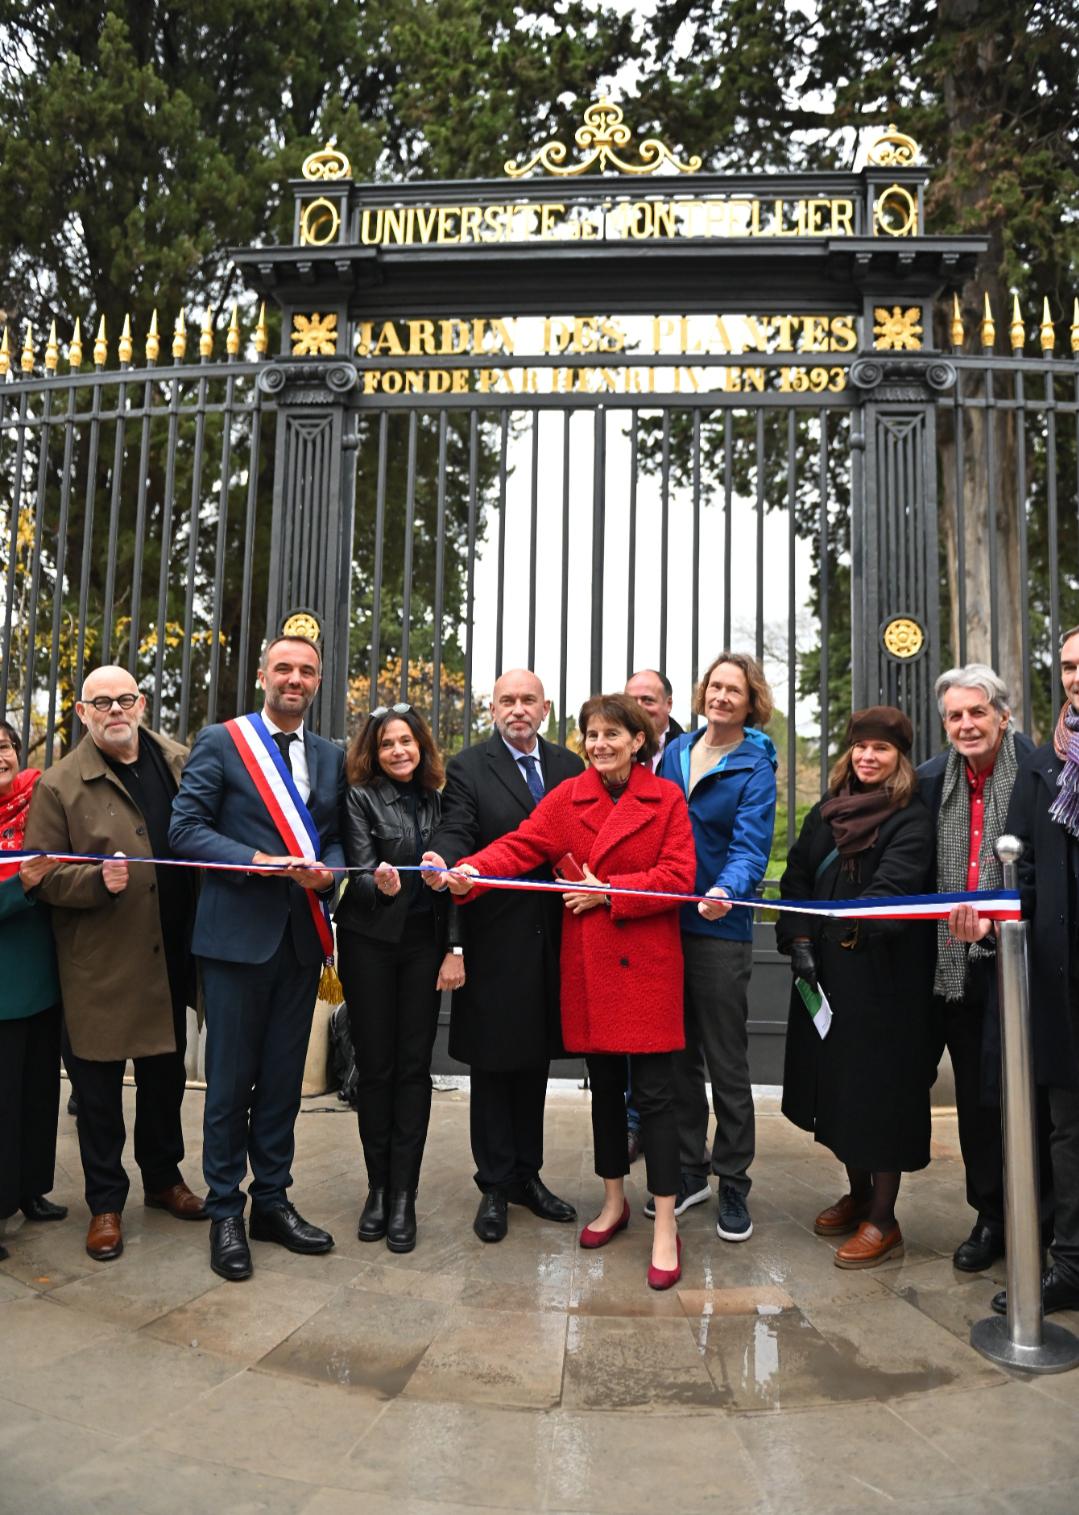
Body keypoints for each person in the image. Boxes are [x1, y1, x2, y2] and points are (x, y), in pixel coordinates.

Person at [438, 693, 697, 1288]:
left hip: (648, 966)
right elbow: (520, 847)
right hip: (590, 969)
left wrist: (608, 892)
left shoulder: (665, 799)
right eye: (591, 735)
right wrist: (472, 873)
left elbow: (680, 877)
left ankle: (663, 1223)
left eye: (613, 734)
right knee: (604, 1089)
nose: (600, 745)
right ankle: (613, 1201)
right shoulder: (566, 798)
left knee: (656, 1099)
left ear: (639, 741)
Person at [168, 634, 345, 1282]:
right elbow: (184, 829)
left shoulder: (330, 755)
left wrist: (328, 876)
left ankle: (272, 1200)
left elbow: (337, 839)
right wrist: (258, 862)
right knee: (229, 1084)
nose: (294, 678)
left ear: (317, 680)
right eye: (283, 668)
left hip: (300, 940)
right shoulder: (222, 741)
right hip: (236, 941)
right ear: (262, 674)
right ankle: (225, 1210)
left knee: (279, 1085)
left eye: (306, 670)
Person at [24, 668, 203, 1262]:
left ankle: (163, 1180)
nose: (115, 710)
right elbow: (37, 873)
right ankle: (105, 1203)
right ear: (82, 712)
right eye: (102, 703)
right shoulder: (59, 784)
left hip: (171, 953)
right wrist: (96, 880)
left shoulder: (179, 760)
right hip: (99, 963)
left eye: (125, 699)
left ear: (141, 702)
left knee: (165, 1079)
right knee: (98, 1091)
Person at [424, 668, 581, 1243]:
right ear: (492, 707)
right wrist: (444, 859)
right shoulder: (468, 767)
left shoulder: (569, 766)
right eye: (507, 700)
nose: (518, 709)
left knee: (535, 1063)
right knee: (494, 1065)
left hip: (557, 940)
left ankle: (527, 1177)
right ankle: (492, 1184)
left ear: (545, 708)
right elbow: (458, 829)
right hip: (494, 938)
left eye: (528, 700)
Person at [776, 706, 934, 1267]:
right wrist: (797, 938)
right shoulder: (827, 810)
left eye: (882, 749)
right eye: (861, 747)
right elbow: (797, 876)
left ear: (899, 759)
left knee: (880, 1097)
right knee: (840, 1090)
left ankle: (884, 1218)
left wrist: (836, 925)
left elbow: (893, 890)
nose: (869, 757)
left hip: (882, 984)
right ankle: (859, 1190)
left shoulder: (910, 818)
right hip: (826, 976)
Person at [957, 625, 1079, 1316]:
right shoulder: (1045, 767)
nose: (1073, 677)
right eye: (1065, 665)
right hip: (1062, 979)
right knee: (1066, 1128)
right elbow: (1023, 868)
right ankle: (1069, 1262)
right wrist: (995, 917)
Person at [917, 665, 1039, 1272]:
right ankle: (990, 1216)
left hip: (1024, 965)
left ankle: (1041, 1222)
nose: (966, 724)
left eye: (977, 712)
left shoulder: (1040, 777)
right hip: (953, 967)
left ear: (1002, 715)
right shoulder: (929, 780)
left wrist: (1002, 921)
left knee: (1029, 1102)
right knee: (975, 1102)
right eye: (955, 716)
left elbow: (1049, 873)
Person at [654, 651, 777, 1243]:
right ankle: (689, 1169)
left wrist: (728, 887)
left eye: (735, 690)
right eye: (715, 686)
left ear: (751, 702)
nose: (722, 696)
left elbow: (753, 845)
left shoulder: (756, 764)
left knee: (726, 1063)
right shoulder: (675, 753)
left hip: (720, 928)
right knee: (678, 1059)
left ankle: (733, 1180)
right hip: (665, 924)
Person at [335, 703, 463, 1253]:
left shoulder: (443, 799)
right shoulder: (359, 797)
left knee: (414, 1069)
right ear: (374, 751)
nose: (398, 751)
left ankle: (405, 1195)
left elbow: (459, 875)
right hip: (369, 946)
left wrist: (455, 947)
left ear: (421, 745)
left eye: (406, 741)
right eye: (387, 743)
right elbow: (358, 873)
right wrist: (377, 884)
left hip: (423, 950)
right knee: (377, 1067)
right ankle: (377, 1190)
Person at [0, 718, 65, 1258]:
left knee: (40, 1093)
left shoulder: (43, 801)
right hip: (3, 985)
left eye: (3, 746)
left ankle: (31, 1191)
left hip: (46, 977)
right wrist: (20, 885)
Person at [625, 669, 684, 774]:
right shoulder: (611, 749)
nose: (638, 708)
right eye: (631, 701)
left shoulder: (687, 752)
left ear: (668, 704)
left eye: (647, 700)